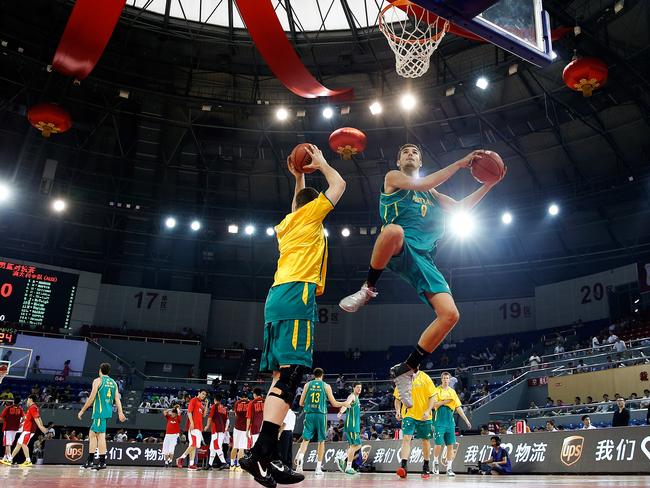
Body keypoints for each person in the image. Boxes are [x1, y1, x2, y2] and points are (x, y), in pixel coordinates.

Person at [339, 145, 503, 407]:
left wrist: (490, 184)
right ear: (398, 159)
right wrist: (460, 162)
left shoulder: (433, 193)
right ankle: (368, 288)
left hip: (424, 259)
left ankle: (407, 368)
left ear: (421, 159)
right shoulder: (393, 178)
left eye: (415, 152)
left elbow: (461, 206)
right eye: (405, 151)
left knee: (450, 315)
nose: (410, 154)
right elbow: (424, 182)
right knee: (393, 230)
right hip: (400, 247)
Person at [240, 144, 346, 488]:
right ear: (313, 207)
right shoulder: (310, 215)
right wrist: (322, 164)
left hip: (276, 297)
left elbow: (297, 204)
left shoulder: (289, 223)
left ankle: (268, 457)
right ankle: (260, 452)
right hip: (296, 294)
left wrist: (299, 176)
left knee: (280, 378)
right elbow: (340, 185)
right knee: (292, 374)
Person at [294, 368, 349, 475]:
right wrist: (344, 403)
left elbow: (301, 403)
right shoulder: (326, 386)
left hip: (309, 414)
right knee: (321, 442)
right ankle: (318, 468)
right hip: (321, 415)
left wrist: (310, 404)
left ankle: (299, 465)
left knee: (305, 440)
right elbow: (334, 403)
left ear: (314, 375)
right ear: (322, 375)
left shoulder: (307, 385)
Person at [77, 363, 126, 470]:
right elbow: (117, 399)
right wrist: (120, 412)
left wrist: (82, 411)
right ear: (108, 371)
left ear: (100, 370)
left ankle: (102, 462)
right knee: (92, 434)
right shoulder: (113, 382)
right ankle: (90, 460)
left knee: (100, 436)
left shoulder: (98, 381)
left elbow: (91, 398)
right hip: (107, 412)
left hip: (99, 412)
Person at [394, 369, 435, 479]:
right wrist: (398, 411)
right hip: (409, 414)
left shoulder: (425, 378)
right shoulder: (403, 379)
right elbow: (397, 399)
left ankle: (426, 466)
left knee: (425, 441)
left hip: (424, 415)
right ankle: (404, 467)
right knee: (406, 438)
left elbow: (433, 396)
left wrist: (428, 410)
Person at [431, 372, 471, 476]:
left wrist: (466, 420)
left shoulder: (452, 392)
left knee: (450, 445)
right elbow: (434, 404)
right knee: (438, 444)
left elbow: (458, 407)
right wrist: (446, 401)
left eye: (447, 378)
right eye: (443, 378)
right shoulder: (436, 390)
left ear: (449, 380)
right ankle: (435, 462)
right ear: (441, 379)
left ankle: (449, 468)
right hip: (439, 420)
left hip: (450, 421)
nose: (445, 380)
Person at [1, 395, 48, 467]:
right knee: (18, 444)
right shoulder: (34, 407)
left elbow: (36, 418)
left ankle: (28, 460)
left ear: (31, 399)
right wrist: (42, 426)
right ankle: (10, 460)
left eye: (28, 399)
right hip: (26, 430)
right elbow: (39, 417)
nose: (27, 401)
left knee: (23, 444)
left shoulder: (32, 407)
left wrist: (41, 427)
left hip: (28, 430)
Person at [175, 389, 207, 470]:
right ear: (199, 393)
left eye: (205, 395)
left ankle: (191, 464)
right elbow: (189, 412)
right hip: (194, 427)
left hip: (199, 428)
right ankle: (181, 458)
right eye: (202, 394)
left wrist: (206, 404)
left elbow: (204, 415)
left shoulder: (201, 404)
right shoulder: (194, 400)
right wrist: (192, 423)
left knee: (194, 446)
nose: (203, 396)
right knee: (194, 444)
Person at [336, 382, 363, 475]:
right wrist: (340, 412)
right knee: (357, 445)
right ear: (354, 388)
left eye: (360, 387)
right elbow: (346, 404)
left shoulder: (357, 398)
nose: (359, 389)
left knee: (353, 446)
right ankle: (344, 459)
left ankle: (348, 466)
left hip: (354, 426)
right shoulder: (352, 396)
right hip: (352, 425)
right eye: (358, 387)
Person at [205, 394, 229, 470]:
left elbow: (210, 417)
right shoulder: (224, 408)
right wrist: (225, 429)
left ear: (215, 399)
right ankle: (209, 464)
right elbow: (227, 420)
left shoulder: (214, 406)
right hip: (221, 430)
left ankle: (224, 462)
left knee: (216, 446)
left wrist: (207, 426)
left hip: (216, 430)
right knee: (212, 448)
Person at [230, 393, 250, 471]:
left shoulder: (237, 403)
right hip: (245, 428)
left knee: (235, 446)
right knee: (242, 448)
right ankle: (238, 465)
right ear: (247, 398)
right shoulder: (249, 403)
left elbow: (235, 414)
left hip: (237, 427)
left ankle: (231, 465)